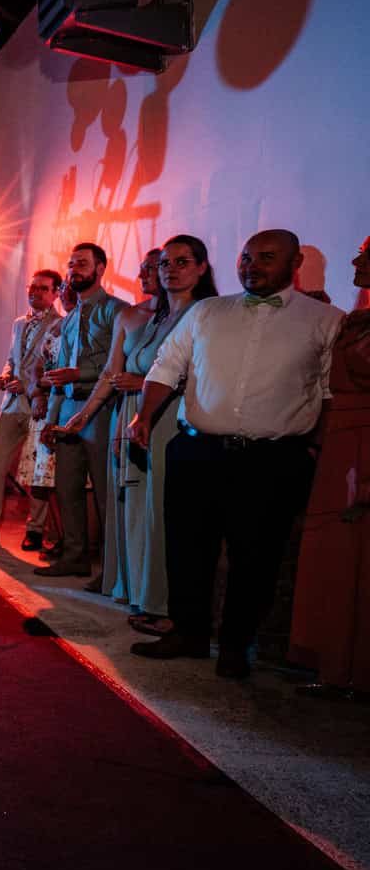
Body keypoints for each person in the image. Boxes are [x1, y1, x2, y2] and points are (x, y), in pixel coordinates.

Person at [129, 230, 343, 680]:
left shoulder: (325, 320)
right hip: (197, 451)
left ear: (294, 261)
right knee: (187, 549)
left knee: (255, 556)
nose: (252, 266)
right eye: (245, 258)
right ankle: (187, 633)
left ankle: (234, 645)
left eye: (266, 258)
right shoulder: (207, 311)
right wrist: (144, 417)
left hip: (272, 460)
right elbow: (167, 366)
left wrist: (314, 449)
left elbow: (328, 394)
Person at [52, 240, 215, 624]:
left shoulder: (206, 314)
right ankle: (140, 592)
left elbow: (197, 373)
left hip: (172, 416)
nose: (165, 271)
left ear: (202, 268)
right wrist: (82, 416)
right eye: (161, 265)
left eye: (179, 263)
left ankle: (165, 605)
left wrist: (141, 383)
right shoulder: (147, 316)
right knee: (134, 507)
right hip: (130, 414)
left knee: (161, 512)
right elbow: (112, 372)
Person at [290, 235, 370, 695]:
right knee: (331, 556)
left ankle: (354, 668)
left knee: (353, 555)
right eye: (358, 250)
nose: (356, 259)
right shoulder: (353, 318)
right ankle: (334, 665)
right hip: (338, 442)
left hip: (364, 449)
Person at [35, 243, 125, 580]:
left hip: (100, 409)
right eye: (71, 264)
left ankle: (112, 568)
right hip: (68, 407)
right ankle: (75, 556)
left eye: (82, 264)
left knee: (105, 493)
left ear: (101, 268)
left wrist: (81, 373)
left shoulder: (117, 311)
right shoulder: (70, 318)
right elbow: (60, 372)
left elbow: (120, 364)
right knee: (67, 487)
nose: (74, 270)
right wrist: (52, 420)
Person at [0, 270, 63, 547]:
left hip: (39, 406)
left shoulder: (60, 325)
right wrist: (5, 376)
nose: (35, 293)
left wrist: (27, 384)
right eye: (33, 287)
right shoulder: (19, 323)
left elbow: (54, 368)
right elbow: (11, 359)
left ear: (56, 293)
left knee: (35, 473)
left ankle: (35, 530)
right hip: (12, 405)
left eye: (43, 289)